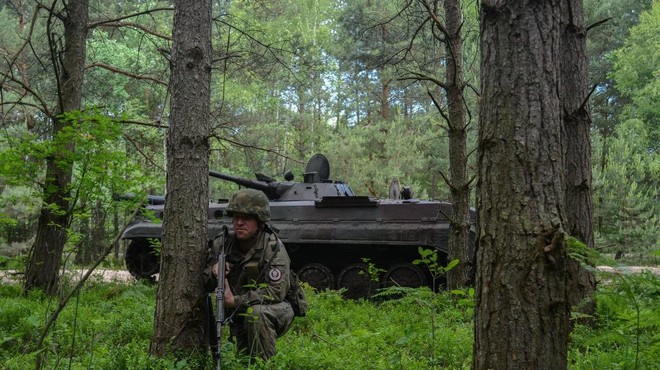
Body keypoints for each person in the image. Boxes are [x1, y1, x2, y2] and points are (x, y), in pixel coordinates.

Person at [206, 188, 294, 361]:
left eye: (246, 218)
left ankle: (264, 364)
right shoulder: (222, 245)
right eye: (236, 218)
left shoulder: (272, 248)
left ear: (260, 221)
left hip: (277, 308)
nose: (239, 223)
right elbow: (202, 281)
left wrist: (234, 301)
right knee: (244, 356)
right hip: (240, 311)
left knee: (256, 313)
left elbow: (276, 292)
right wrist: (214, 271)